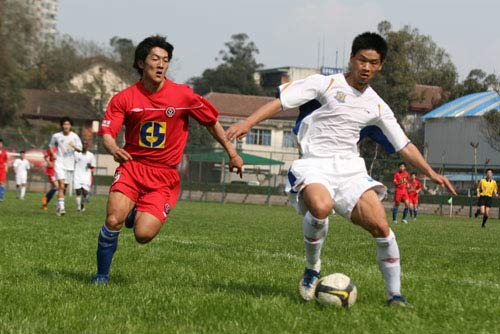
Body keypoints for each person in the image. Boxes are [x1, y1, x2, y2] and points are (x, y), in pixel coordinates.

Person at [226, 32, 456, 307]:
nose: (366, 67)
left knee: (382, 227)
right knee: (320, 207)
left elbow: (403, 145)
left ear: (380, 65)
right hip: (315, 163)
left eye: (373, 62)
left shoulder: (378, 105)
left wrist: (430, 172)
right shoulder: (324, 84)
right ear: (352, 58)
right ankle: (313, 269)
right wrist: (248, 124)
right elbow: (281, 102)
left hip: (351, 171)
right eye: (362, 60)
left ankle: (395, 295)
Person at [92, 35, 244, 284]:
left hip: (164, 176)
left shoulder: (182, 96)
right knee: (112, 219)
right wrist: (112, 147)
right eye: (155, 59)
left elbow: (211, 122)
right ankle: (101, 275)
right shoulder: (125, 98)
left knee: (143, 234)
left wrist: (233, 153)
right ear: (142, 63)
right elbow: (108, 132)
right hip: (132, 168)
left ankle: (135, 214)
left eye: (165, 60)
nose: (161, 65)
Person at [49, 117, 83, 216]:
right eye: (64, 124)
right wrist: (53, 154)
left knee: (64, 188)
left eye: (68, 124)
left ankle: (59, 205)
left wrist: (74, 146)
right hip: (59, 163)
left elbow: (80, 149)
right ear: (62, 125)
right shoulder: (56, 136)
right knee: (61, 185)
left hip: (70, 165)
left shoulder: (75, 137)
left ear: (70, 126)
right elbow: (51, 146)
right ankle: (62, 208)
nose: (66, 126)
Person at [74, 141, 96, 212]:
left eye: (86, 145)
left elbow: (93, 166)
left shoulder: (91, 155)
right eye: (83, 144)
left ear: (88, 146)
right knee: (78, 191)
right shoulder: (77, 154)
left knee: (85, 192)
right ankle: (78, 207)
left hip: (86, 176)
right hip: (77, 174)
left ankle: (82, 204)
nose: (85, 146)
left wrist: (90, 166)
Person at [41, 146, 58, 211]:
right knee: (57, 187)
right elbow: (46, 156)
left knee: (57, 188)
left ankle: (44, 203)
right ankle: (45, 201)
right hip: (51, 171)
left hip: (59, 170)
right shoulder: (53, 148)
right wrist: (49, 162)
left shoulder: (63, 149)